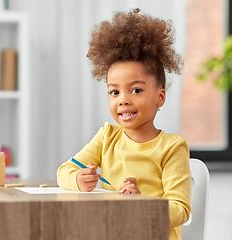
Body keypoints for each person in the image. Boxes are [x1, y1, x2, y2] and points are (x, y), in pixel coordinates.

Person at [57, 8, 191, 240]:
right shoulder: (107, 136)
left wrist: (141, 207)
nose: (123, 100)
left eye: (136, 90)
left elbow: (180, 209)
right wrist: (78, 180)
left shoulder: (172, 148)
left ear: (160, 97)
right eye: (114, 92)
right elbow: (63, 171)